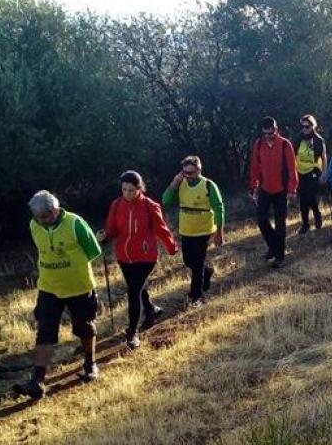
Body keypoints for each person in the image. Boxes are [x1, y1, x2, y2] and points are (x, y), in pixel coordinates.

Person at [14, 190, 102, 401]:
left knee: (83, 327)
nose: (41, 221)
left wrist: (71, 265)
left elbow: (94, 251)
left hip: (79, 287)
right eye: (38, 217)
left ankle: (90, 363)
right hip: (49, 288)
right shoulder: (34, 224)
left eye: (45, 217)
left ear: (55, 210)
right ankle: (37, 381)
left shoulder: (75, 223)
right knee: (44, 332)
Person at [97, 171, 178, 349]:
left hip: (145, 256)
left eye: (131, 190)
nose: (127, 193)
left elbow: (161, 229)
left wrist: (171, 247)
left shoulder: (150, 206)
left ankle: (132, 332)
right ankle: (151, 310)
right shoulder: (116, 205)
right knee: (138, 288)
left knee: (133, 291)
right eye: (124, 189)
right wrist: (105, 236)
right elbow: (112, 228)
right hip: (124, 256)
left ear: (139, 188)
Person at [161, 156, 225, 308]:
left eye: (191, 173)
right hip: (186, 230)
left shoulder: (209, 185)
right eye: (185, 173)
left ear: (199, 170)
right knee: (188, 261)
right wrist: (174, 184)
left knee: (196, 265)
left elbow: (219, 208)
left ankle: (197, 296)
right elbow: (165, 200)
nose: (188, 176)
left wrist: (219, 233)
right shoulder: (180, 183)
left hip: (204, 231)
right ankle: (207, 272)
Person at [249, 116, 297, 268]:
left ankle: (280, 257)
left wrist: (292, 189)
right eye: (265, 134)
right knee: (261, 220)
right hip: (265, 189)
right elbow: (255, 167)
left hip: (281, 190)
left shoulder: (285, 145)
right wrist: (253, 187)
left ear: (276, 130)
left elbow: (292, 169)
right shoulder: (258, 144)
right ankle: (273, 246)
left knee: (280, 224)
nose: (268, 136)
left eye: (271, 133)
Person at [294, 114, 327, 235]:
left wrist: (324, 173)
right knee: (303, 199)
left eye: (307, 126)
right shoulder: (298, 138)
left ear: (313, 126)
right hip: (300, 172)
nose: (305, 129)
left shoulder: (318, 140)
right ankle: (305, 224)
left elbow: (324, 158)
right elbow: (292, 154)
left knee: (311, 197)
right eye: (303, 126)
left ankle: (317, 214)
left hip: (313, 170)